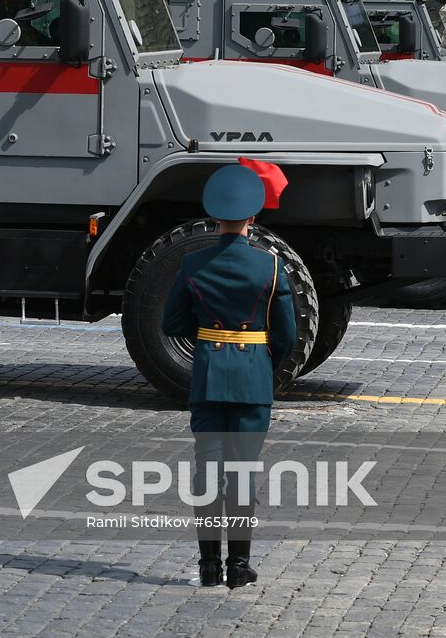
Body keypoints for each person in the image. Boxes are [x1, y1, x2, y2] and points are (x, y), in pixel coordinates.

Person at [160, 159, 296, 590]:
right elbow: (288, 335)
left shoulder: (193, 264)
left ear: (214, 216)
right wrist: (262, 365)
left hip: (208, 379)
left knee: (206, 474)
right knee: (242, 474)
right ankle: (239, 567)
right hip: (253, 377)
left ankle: (207, 567)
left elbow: (172, 324)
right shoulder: (270, 266)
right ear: (253, 217)